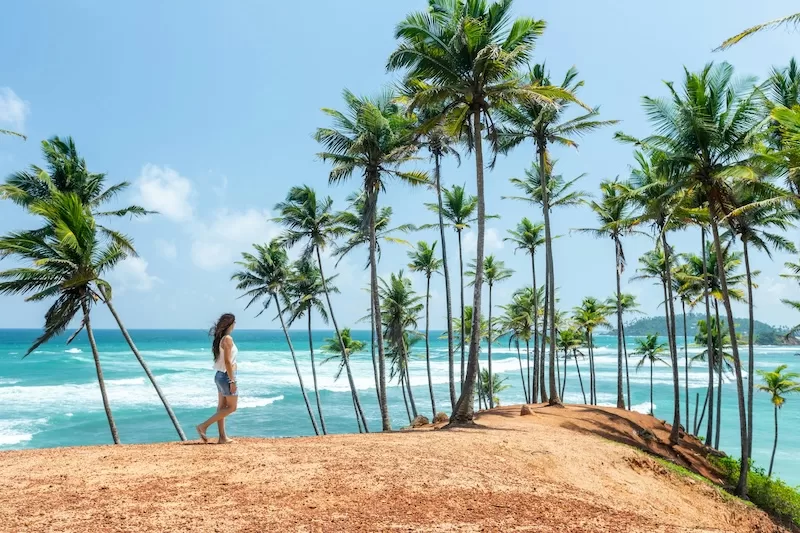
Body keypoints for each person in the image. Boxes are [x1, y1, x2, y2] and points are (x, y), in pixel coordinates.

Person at [197, 313, 238, 444]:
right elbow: (227, 361)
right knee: (232, 407)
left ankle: (222, 437)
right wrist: (232, 381)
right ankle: (203, 426)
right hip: (226, 376)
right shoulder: (227, 339)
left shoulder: (222, 338)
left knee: (222, 407)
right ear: (231, 324)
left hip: (220, 375)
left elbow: (227, 360)